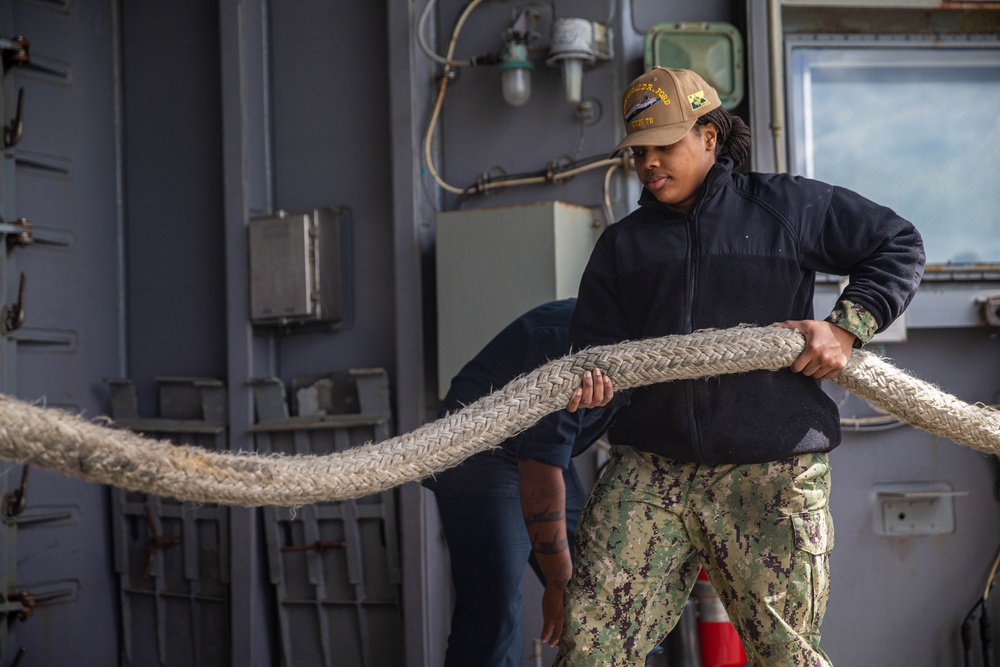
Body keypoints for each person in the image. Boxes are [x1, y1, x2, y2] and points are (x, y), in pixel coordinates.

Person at [556, 67, 925, 666]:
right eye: (640, 152)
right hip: (653, 470)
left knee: (786, 655)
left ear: (709, 136)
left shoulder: (786, 207)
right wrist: (596, 393)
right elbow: (596, 353)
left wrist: (845, 327)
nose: (650, 164)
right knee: (589, 645)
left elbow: (899, 243)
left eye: (665, 146)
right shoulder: (622, 246)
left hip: (772, 468)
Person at [422, 298, 615, 667]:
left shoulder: (658, 347)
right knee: (493, 614)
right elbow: (540, 470)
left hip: (537, 448)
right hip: (476, 447)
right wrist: (558, 584)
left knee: (604, 591)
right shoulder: (576, 344)